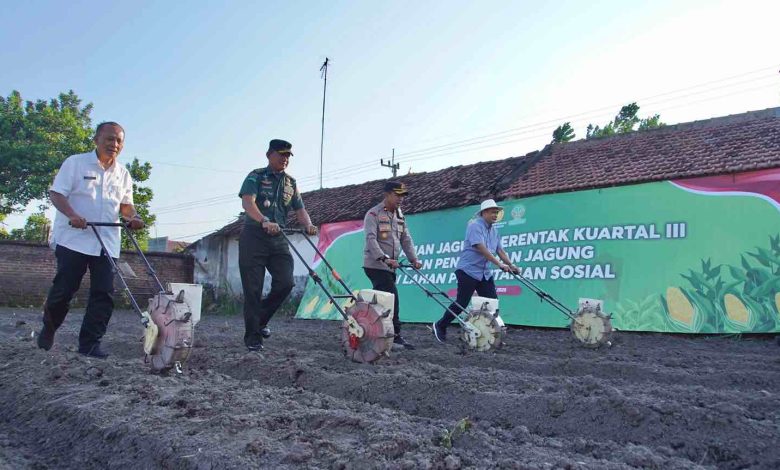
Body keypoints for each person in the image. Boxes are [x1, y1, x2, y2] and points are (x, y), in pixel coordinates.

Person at [37, 122, 145, 358]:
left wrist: (134, 217)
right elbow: (56, 193)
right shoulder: (75, 163)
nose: (114, 144)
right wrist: (73, 215)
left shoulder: (123, 174)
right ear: (96, 139)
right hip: (74, 238)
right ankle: (49, 327)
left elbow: (126, 206)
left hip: (107, 241)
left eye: (118, 141)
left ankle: (90, 345)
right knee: (65, 290)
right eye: (109, 139)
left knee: (104, 293)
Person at [239, 139, 317, 351]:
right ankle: (253, 338)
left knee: (286, 283)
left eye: (287, 156)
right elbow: (248, 202)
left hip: (278, 237)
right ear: (269, 155)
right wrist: (263, 220)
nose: (284, 159)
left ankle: (260, 320)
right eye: (281, 154)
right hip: (254, 236)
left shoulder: (291, 183)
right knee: (253, 289)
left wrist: (308, 225)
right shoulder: (255, 176)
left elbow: (300, 209)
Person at [432, 199, 519, 342]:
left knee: (492, 303)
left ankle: (489, 335)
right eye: (492, 212)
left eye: (496, 212)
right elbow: (481, 248)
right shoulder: (475, 226)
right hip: (468, 271)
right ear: (484, 213)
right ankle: (440, 325)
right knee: (462, 302)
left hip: (484, 273)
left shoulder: (494, 230)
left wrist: (511, 264)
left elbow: (500, 250)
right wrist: (499, 264)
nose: (495, 215)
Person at [363, 181, 423, 350]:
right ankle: (395, 336)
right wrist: (384, 258)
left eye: (402, 196)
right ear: (387, 194)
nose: (400, 199)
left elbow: (406, 239)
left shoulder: (400, 216)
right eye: (397, 195)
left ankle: (379, 332)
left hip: (390, 266)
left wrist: (414, 259)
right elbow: (370, 239)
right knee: (392, 298)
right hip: (375, 265)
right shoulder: (373, 214)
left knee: (385, 300)